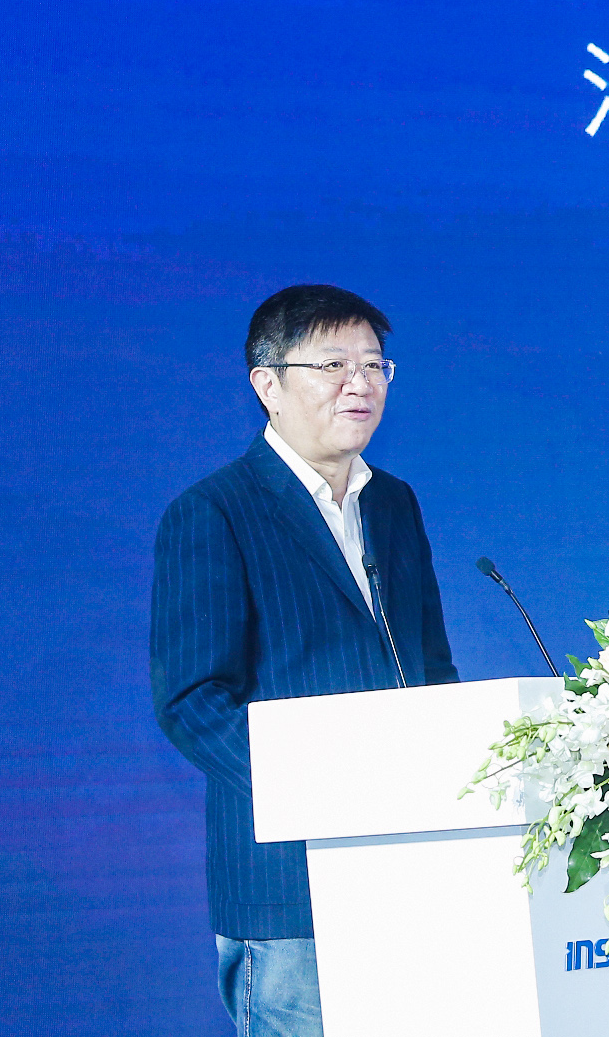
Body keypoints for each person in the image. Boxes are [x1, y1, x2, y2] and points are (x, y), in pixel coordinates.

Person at [152, 285, 459, 1036]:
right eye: (332, 364)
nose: (360, 383)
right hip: (292, 888)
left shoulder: (393, 504)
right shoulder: (215, 511)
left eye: (374, 365)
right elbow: (194, 702)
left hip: (416, 871)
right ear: (267, 384)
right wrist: (326, 789)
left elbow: (432, 670)